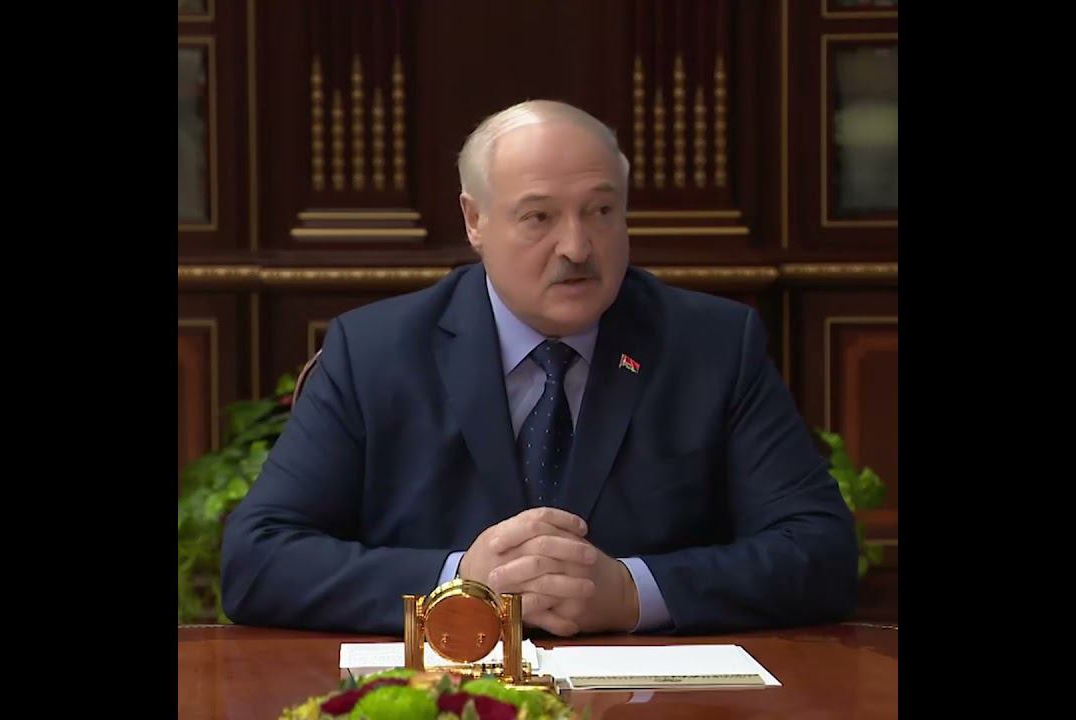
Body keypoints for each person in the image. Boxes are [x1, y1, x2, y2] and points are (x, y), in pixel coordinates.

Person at [220, 100, 857, 636]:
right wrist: (459, 585)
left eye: (601, 211)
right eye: (539, 217)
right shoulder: (375, 352)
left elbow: (821, 551)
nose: (577, 247)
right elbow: (257, 560)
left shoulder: (711, 345)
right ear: (475, 220)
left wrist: (633, 593)